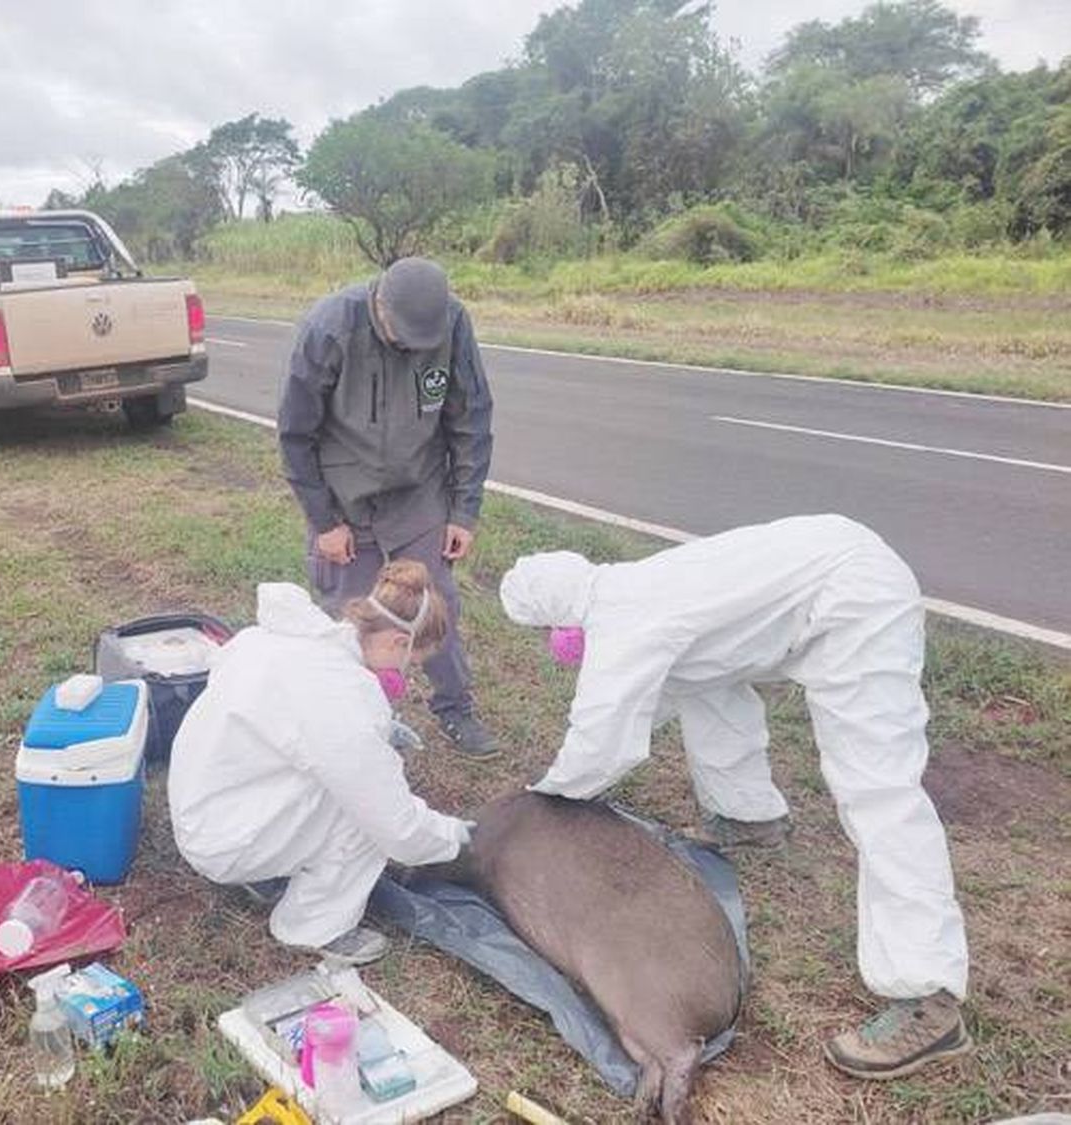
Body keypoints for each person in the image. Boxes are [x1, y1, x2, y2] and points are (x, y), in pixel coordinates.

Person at [498, 514, 971, 1081]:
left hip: (852, 597)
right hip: (820, 573)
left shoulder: (627, 619)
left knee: (878, 786)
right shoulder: (635, 591)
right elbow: (658, 700)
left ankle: (930, 995)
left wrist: (538, 800)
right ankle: (750, 818)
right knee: (710, 684)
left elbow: (603, 743)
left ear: (560, 622)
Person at [168, 560, 472, 965]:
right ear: (399, 642)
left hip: (203, 805)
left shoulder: (275, 640)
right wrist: (456, 836)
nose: (406, 675)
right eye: (412, 663)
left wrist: (376, 736)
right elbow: (397, 828)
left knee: (345, 785)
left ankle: (268, 867)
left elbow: (285, 721)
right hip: (226, 839)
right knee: (366, 819)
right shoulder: (343, 694)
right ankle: (312, 927)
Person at [278, 257, 496, 758]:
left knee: (433, 603)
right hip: (345, 499)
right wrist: (324, 522)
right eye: (403, 337)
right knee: (354, 618)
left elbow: (471, 417)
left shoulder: (452, 322)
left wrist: (463, 510)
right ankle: (351, 721)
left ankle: (455, 708)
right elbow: (295, 435)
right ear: (380, 304)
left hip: (419, 492)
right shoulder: (329, 327)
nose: (412, 349)